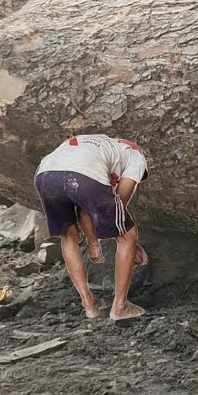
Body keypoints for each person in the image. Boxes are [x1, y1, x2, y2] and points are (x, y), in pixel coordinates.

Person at [34, 134, 150, 320]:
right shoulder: (136, 156)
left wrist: (93, 243)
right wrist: (132, 247)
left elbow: (85, 210)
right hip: (82, 176)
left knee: (68, 235)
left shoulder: (99, 145)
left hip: (46, 175)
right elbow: (118, 205)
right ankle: (120, 307)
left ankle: (89, 305)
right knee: (128, 235)